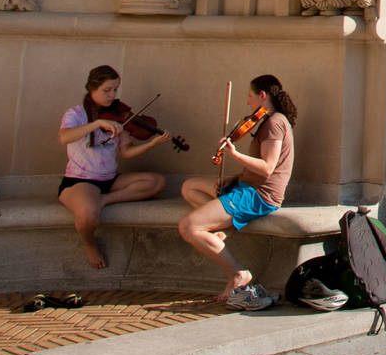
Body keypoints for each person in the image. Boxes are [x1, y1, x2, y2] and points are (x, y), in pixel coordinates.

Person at [179, 74, 297, 310]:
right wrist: (234, 178)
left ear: (262, 96)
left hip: (259, 195)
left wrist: (234, 154)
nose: (247, 102)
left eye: (250, 96)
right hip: (246, 186)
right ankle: (224, 226)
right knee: (189, 187)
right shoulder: (268, 121)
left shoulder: (275, 123)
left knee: (188, 227)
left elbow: (267, 168)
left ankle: (238, 274)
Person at [57, 64, 170, 269]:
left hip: (110, 180)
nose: (112, 95)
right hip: (81, 181)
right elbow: (64, 137)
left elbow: (126, 152)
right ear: (92, 89)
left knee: (156, 182)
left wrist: (151, 144)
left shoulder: (119, 116)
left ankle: (104, 200)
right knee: (87, 216)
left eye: (115, 90)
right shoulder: (76, 114)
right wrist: (96, 123)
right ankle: (90, 244)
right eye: (106, 90)